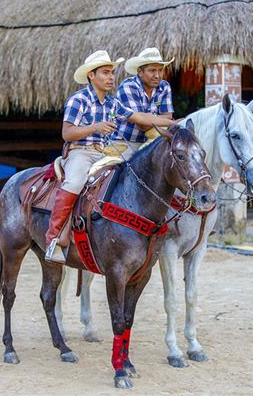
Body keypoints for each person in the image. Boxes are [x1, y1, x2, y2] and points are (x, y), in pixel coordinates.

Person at [45, 50, 176, 263]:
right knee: (75, 181)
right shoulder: (78, 100)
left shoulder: (112, 103)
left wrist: (172, 123)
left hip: (104, 152)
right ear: (91, 75)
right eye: (105, 73)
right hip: (81, 152)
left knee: (128, 177)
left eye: (112, 73)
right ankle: (54, 239)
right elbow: (67, 133)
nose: (111, 77)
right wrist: (94, 127)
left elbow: (139, 116)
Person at [109, 47, 175, 159]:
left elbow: (168, 117)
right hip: (125, 142)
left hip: (153, 141)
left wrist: (150, 118)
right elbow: (143, 125)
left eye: (160, 70)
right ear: (140, 72)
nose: (157, 75)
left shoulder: (164, 86)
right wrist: (167, 121)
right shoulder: (128, 86)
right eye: (152, 70)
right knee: (123, 171)